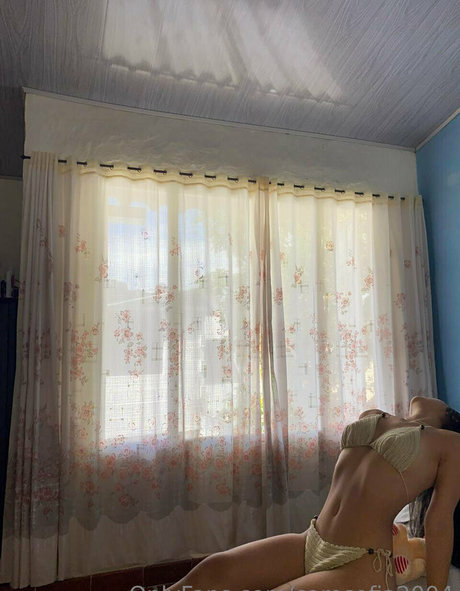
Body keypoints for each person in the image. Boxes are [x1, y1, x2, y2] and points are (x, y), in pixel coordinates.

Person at [166, 396, 460, 591]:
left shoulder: (450, 444)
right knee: (211, 572)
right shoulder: (376, 415)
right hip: (312, 541)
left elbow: (438, 525)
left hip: (364, 563)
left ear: (449, 416)